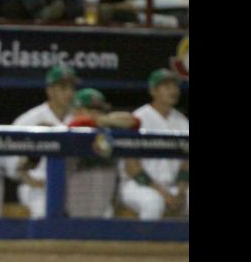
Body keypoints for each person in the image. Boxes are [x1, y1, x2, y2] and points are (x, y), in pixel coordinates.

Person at [117, 68, 188, 220]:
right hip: (139, 184)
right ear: (153, 91)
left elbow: (186, 163)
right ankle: (144, 244)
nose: (173, 90)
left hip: (174, 185)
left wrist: (181, 192)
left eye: (175, 86)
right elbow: (131, 167)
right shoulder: (138, 119)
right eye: (166, 86)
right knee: (153, 203)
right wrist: (164, 194)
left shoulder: (183, 122)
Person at [11, 65, 78, 218]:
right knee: (43, 212)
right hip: (37, 187)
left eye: (72, 88)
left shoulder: (78, 118)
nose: (69, 93)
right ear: (50, 90)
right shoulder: (30, 119)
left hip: (72, 186)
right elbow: (10, 158)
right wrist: (28, 178)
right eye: (63, 87)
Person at [64, 88, 140, 218]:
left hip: (103, 186)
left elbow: (135, 122)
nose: (96, 113)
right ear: (76, 110)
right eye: (90, 109)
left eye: (98, 110)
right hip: (76, 184)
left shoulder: (107, 126)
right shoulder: (68, 123)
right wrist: (104, 120)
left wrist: (103, 120)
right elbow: (77, 123)